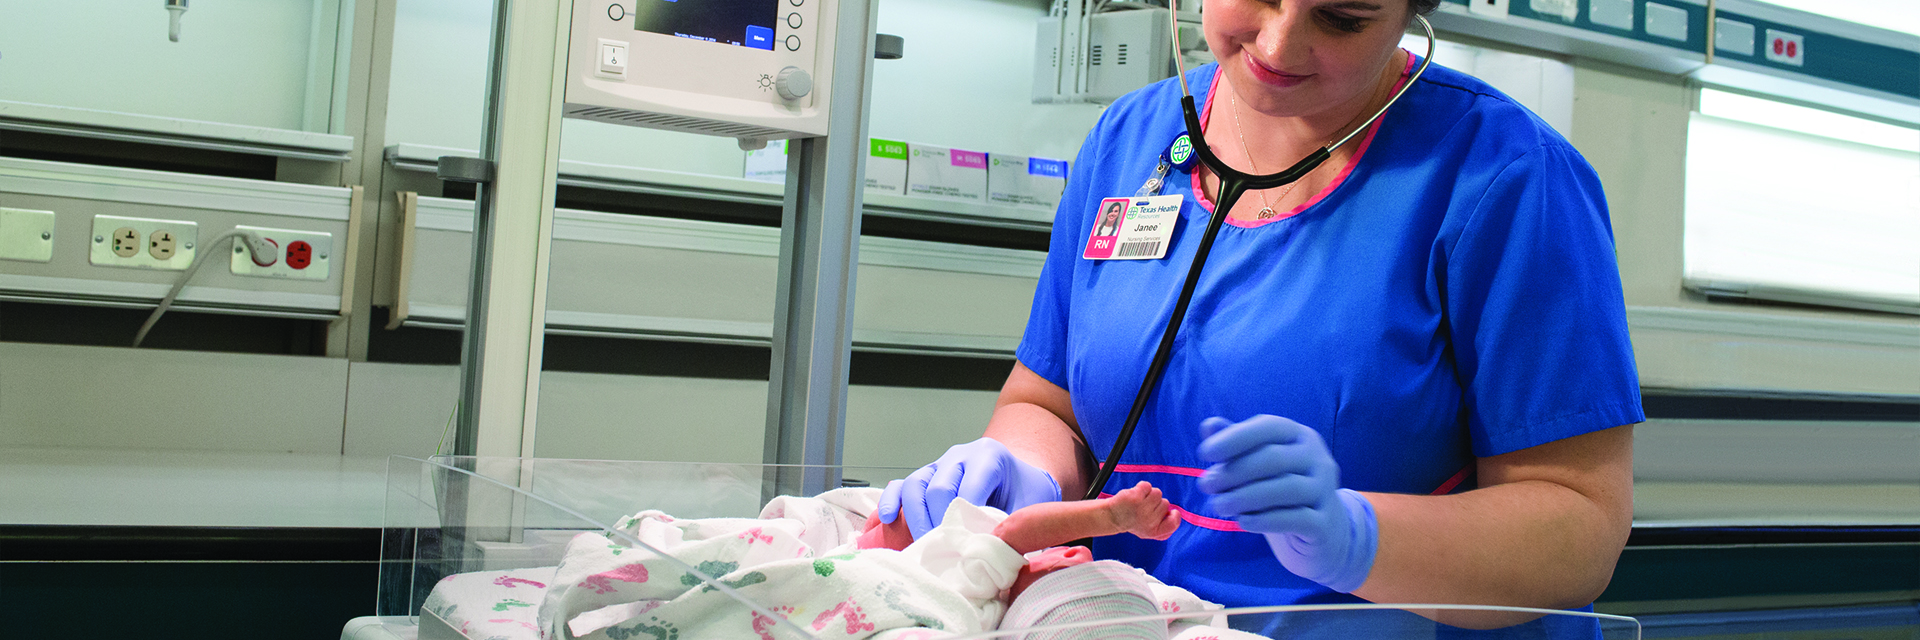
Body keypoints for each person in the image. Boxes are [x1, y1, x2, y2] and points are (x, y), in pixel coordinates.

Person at [878, 0, 1641, 632]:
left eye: (1342, 18)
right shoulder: (1128, 141)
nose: (1280, 43)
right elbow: (1047, 403)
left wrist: (1358, 540)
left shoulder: (1508, 177)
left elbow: (1577, 529)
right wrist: (1024, 471)